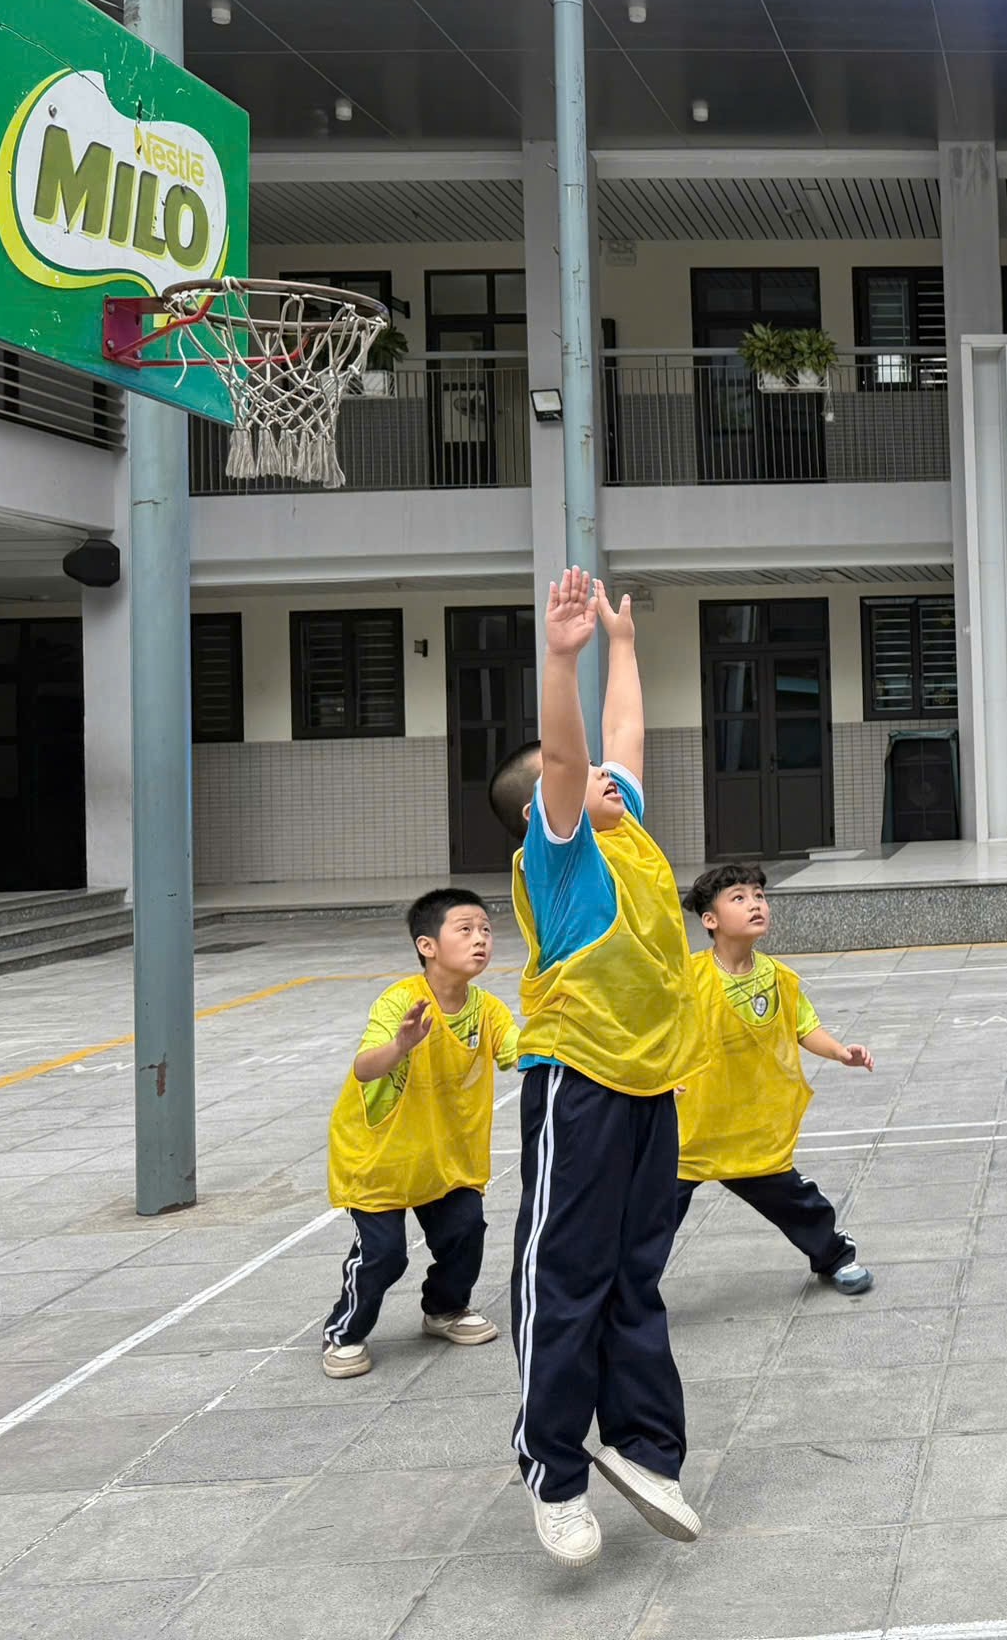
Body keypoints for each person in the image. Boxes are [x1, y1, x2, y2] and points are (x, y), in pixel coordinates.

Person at [495, 566, 716, 1567]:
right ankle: (554, 1471)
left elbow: (619, 740)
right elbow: (576, 751)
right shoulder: (562, 849)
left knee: (638, 1274)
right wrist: (563, 658)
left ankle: (645, 1447)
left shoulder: (624, 824)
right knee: (568, 1274)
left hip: (647, 1084)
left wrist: (625, 649)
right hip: (576, 1082)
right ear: (554, 802)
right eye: (584, 780)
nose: (606, 779)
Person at [321, 889, 520, 1378]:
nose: (481, 940)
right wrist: (401, 1044)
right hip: (382, 1157)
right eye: (466, 929)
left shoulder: (488, 1010)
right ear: (427, 946)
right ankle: (344, 1333)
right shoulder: (401, 1001)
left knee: (465, 1231)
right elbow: (366, 1068)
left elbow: (524, 1053)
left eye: (486, 930)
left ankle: (445, 1310)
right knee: (383, 1256)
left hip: (443, 1156)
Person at [677, 863, 878, 1286]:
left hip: (751, 1127)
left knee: (796, 1201)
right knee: (649, 1222)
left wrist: (841, 1052)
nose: (755, 905)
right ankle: (626, 1296)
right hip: (690, 1131)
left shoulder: (779, 978)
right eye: (739, 898)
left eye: (759, 896)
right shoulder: (686, 977)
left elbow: (804, 1027)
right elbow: (660, 1032)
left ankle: (834, 1256)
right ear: (710, 921)